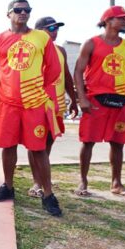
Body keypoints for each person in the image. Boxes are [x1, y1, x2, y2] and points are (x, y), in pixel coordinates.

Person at [0, 0, 63, 217]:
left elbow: (53, 69)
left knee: (38, 150)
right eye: (18, 10)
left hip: (34, 103)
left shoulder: (41, 38)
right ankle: (8, 187)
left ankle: (48, 194)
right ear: (8, 14)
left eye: (27, 10)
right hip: (7, 104)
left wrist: (35, 88)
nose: (23, 13)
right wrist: (7, 89)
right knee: (7, 147)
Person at [73, 6, 125, 200]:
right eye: (122, 18)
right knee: (88, 141)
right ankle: (83, 180)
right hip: (95, 99)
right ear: (108, 20)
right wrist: (82, 98)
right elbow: (78, 71)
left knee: (117, 142)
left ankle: (116, 183)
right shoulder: (91, 43)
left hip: (119, 100)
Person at [27, 17, 78, 197]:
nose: (55, 31)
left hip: (57, 105)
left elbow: (67, 75)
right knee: (35, 145)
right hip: (37, 103)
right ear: (39, 30)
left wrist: (73, 98)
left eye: (57, 28)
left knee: (47, 143)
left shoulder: (60, 50)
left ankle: (42, 179)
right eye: (51, 28)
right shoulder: (32, 48)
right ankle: (36, 183)